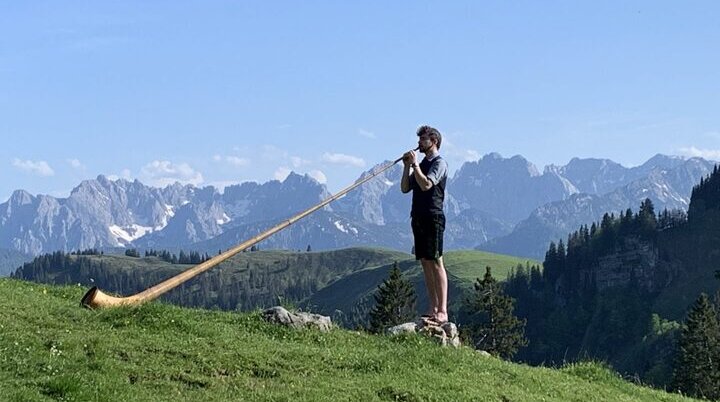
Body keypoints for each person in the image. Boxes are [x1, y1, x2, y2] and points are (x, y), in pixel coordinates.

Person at [401, 125, 449, 325]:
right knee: (425, 262)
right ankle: (432, 307)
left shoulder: (439, 163)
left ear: (433, 142)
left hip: (433, 217)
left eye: (423, 140)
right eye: (419, 140)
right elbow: (405, 188)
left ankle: (443, 310)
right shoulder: (420, 164)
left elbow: (427, 184)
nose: (419, 143)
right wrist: (406, 167)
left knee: (436, 261)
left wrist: (415, 166)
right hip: (418, 217)